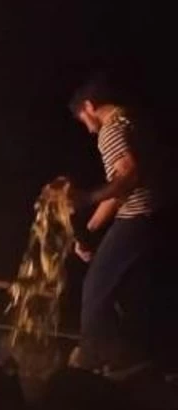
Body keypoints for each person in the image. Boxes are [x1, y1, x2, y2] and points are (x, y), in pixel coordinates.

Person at [67, 75, 161, 377]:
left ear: (89, 106)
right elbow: (119, 189)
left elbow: (128, 178)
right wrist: (91, 230)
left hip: (139, 216)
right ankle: (128, 357)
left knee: (95, 286)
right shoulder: (133, 122)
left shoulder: (110, 130)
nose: (86, 126)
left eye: (83, 119)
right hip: (152, 217)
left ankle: (92, 358)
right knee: (123, 290)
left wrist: (86, 197)